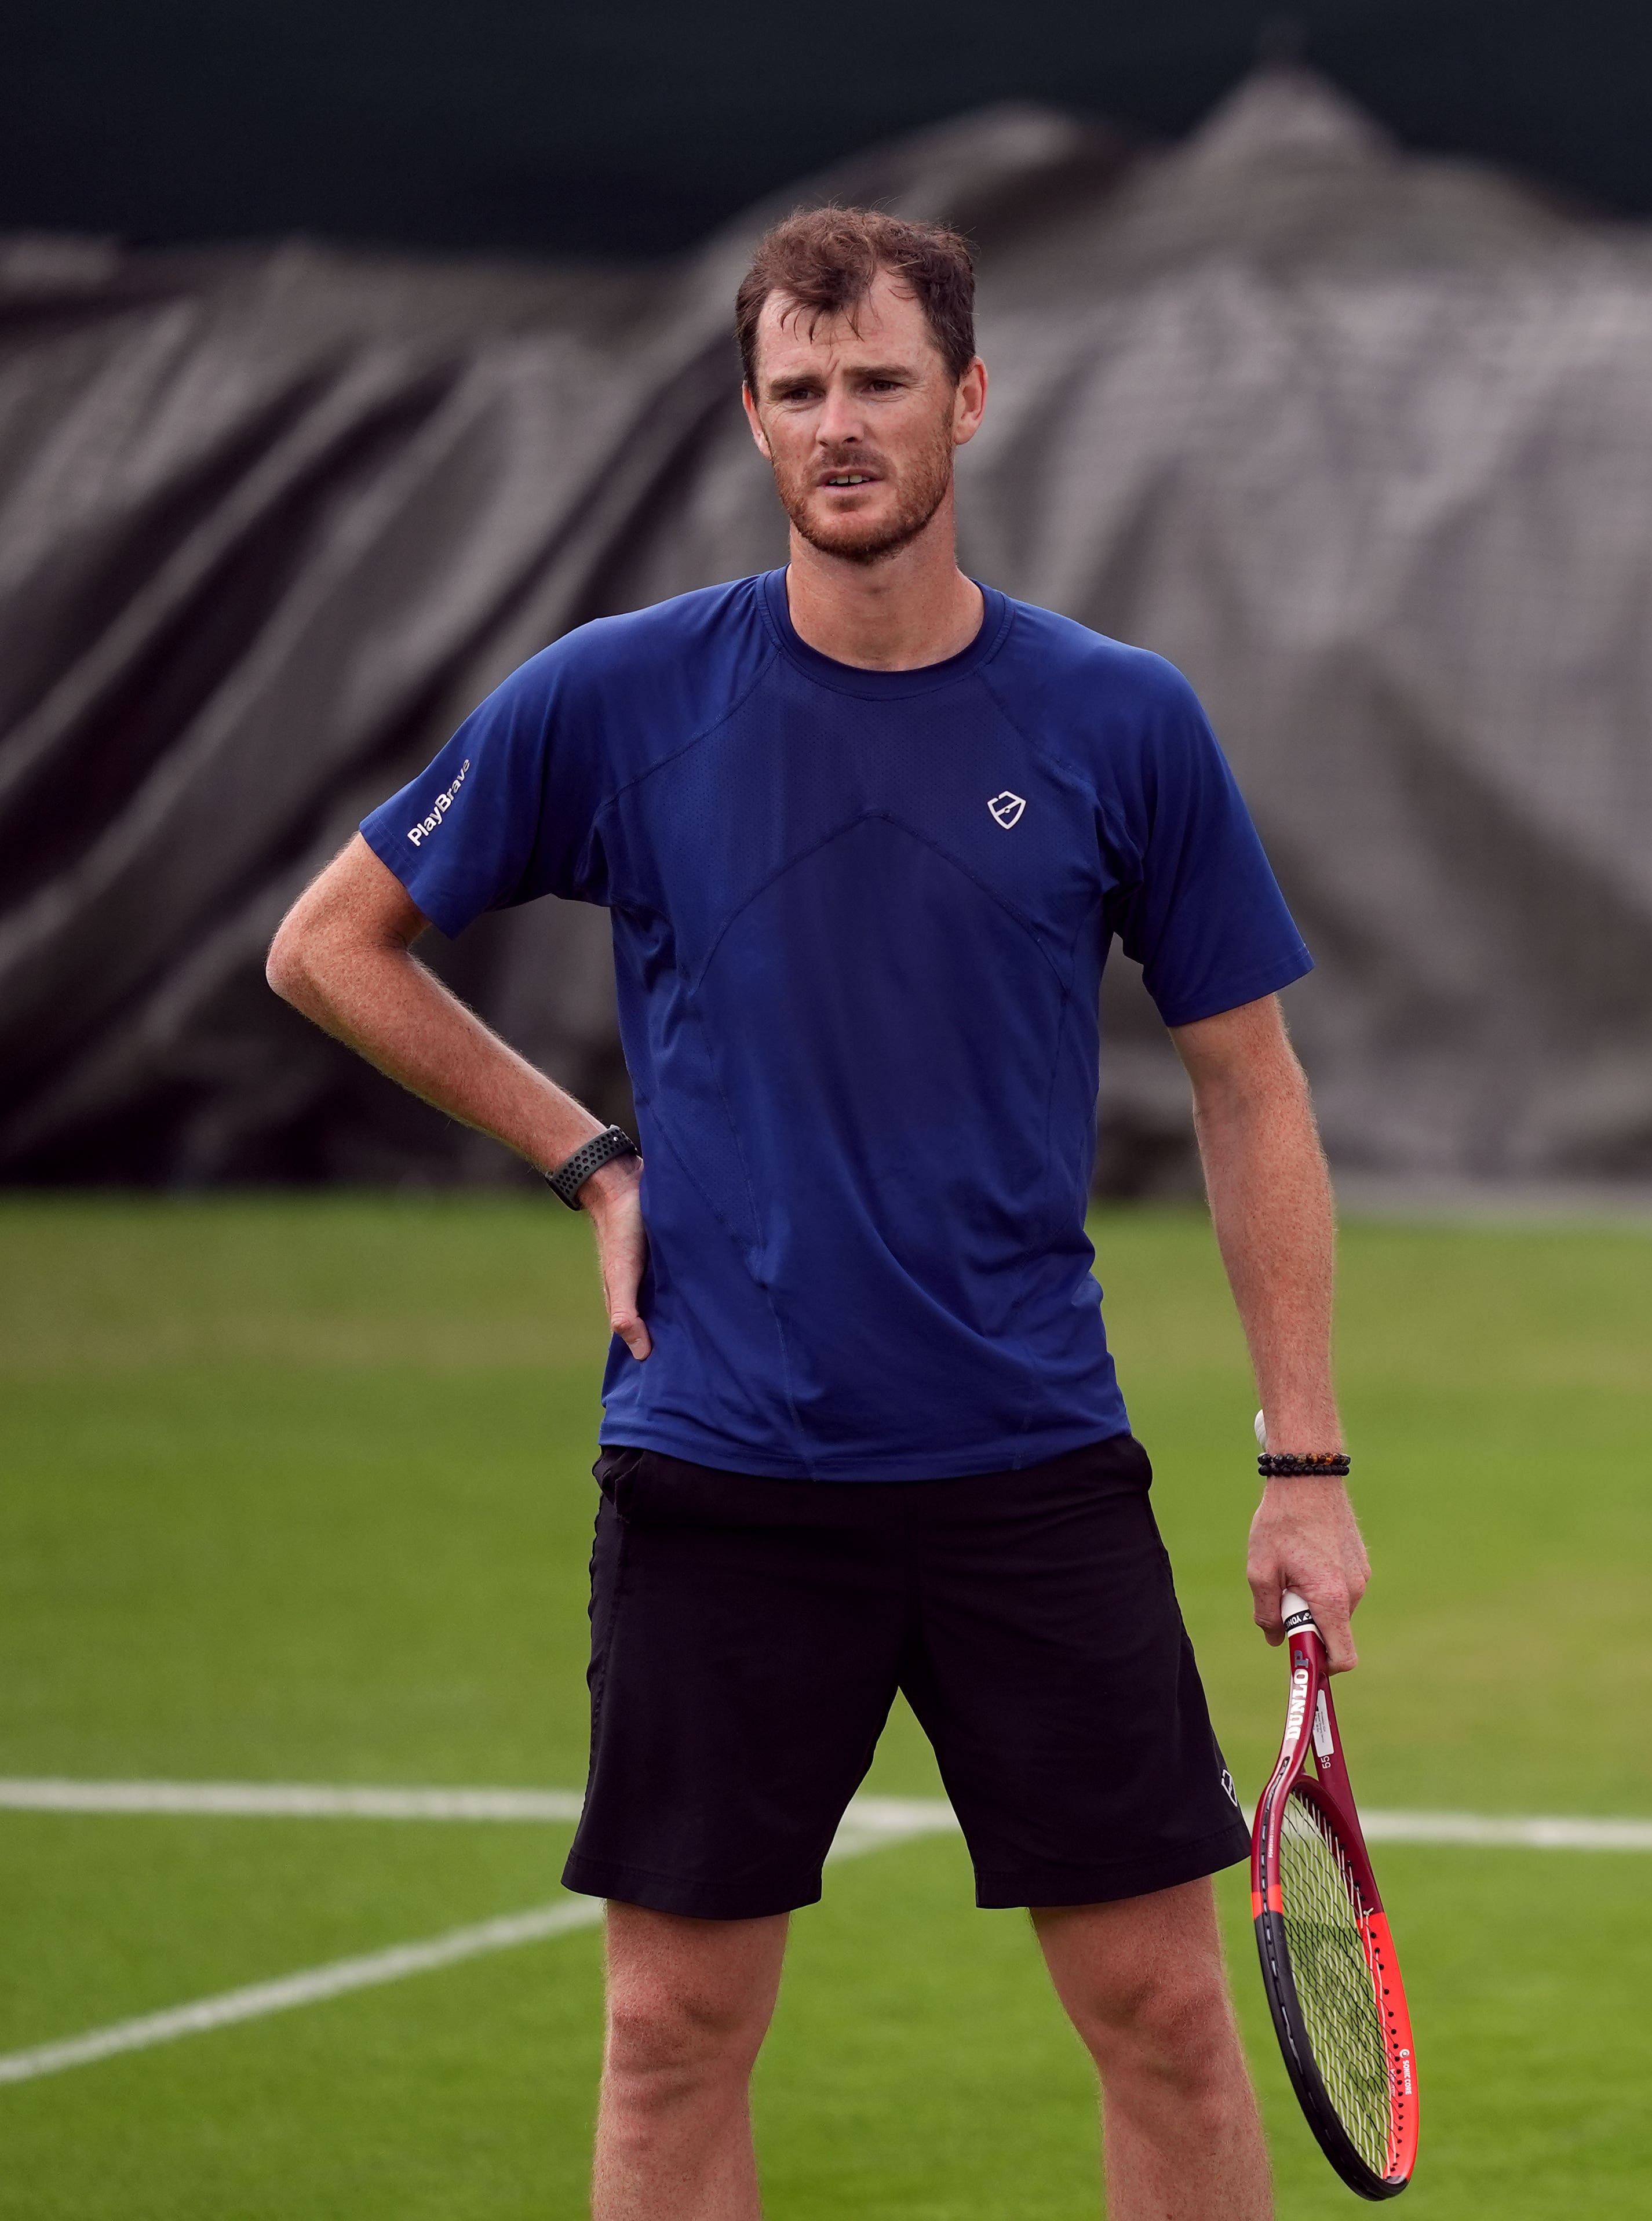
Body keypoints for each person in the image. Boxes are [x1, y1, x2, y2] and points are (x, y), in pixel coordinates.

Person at [265, 207, 1359, 2221]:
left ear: (968, 397)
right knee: (669, 2031)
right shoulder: (616, 696)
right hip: (720, 1469)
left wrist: (1303, 1457)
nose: (838, 426)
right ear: (750, 417)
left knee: (1165, 2015)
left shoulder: (1121, 720)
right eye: (797, 391)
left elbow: (1249, 1085)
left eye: (877, 384)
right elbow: (332, 947)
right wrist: (587, 1154)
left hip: (1029, 1468)